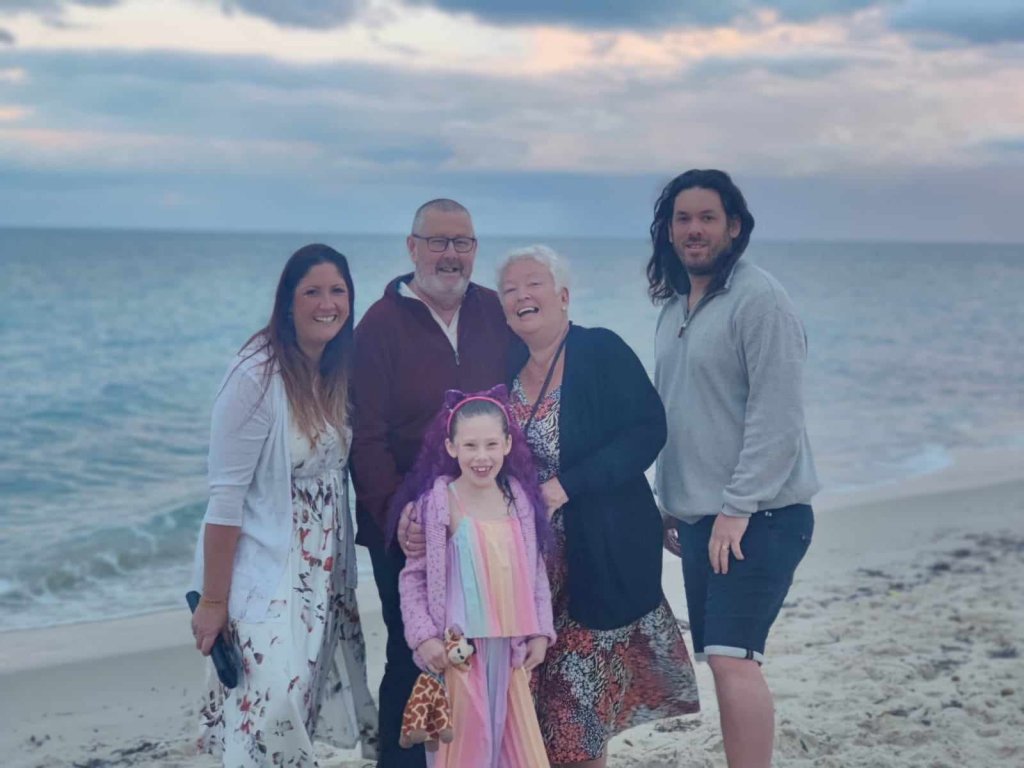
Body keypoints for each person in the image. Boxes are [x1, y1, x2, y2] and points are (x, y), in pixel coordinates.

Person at [499, 245, 700, 768]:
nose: (521, 294)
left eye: (533, 283)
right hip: (531, 571)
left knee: (578, 714)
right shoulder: (505, 371)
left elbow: (647, 431)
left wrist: (566, 485)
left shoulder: (600, 350)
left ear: (563, 296)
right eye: (509, 288)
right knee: (533, 706)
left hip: (599, 557)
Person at [648, 169, 820, 768]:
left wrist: (736, 508)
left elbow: (778, 417)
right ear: (668, 231)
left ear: (735, 227)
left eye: (707, 218)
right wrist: (669, 499)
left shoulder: (759, 298)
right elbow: (677, 411)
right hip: (703, 518)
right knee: (721, 659)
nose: (694, 230)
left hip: (762, 515)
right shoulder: (675, 307)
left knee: (732, 657)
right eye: (683, 219)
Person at [190, 244, 378, 765]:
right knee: (266, 707)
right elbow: (224, 500)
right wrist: (212, 601)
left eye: (337, 291)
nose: (327, 303)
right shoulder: (256, 376)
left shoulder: (335, 369)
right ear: (287, 303)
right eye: (312, 291)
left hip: (321, 575)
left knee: (299, 702)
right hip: (264, 573)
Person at [350, 199, 509, 767]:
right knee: (415, 653)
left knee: (490, 649)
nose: (450, 255)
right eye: (438, 241)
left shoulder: (494, 311)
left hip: (488, 518)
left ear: (475, 248)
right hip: (409, 527)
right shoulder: (379, 325)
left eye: (461, 242)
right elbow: (363, 437)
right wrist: (402, 514)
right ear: (411, 246)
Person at [396, 387, 556, 767]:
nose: (481, 457)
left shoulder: (517, 499)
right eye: (470, 446)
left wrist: (540, 631)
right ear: (451, 448)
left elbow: (534, 571)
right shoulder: (438, 504)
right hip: (459, 653)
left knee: (513, 748)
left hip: (511, 651)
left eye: (490, 444)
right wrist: (424, 639)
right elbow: (413, 578)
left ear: (506, 444)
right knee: (465, 750)